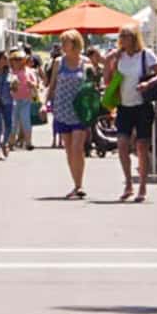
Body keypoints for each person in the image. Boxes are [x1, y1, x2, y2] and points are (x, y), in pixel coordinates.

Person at [110, 26, 157, 203]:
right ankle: (128, 183)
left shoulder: (145, 54)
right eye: (121, 36)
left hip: (142, 106)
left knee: (141, 146)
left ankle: (142, 186)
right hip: (124, 106)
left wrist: (149, 84)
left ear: (134, 38)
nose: (122, 39)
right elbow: (109, 80)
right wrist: (109, 62)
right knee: (122, 144)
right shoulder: (119, 56)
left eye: (126, 36)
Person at [49, 30, 94, 198]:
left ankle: (80, 185)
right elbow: (52, 85)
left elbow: (92, 85)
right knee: (69, 149)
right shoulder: (58, 62)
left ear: (75, 43)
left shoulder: (85, 62)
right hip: (62, 109)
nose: (62, 45)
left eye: (65, 42)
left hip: (79, 110)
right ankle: (76, 184)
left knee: (77, 147)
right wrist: (45, 105)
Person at [9, 49, 39, 151]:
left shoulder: (29, 71)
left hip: (26, 99)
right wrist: (12, 86)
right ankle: (11, 142)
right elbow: (8, 85)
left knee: (26, 121)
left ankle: (28, 142)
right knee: (13, 122)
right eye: (15, 59)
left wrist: (32, 84)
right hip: (13, 100)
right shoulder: (10, 72)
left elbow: (36, 84)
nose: (18, 61)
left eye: (20, 59)